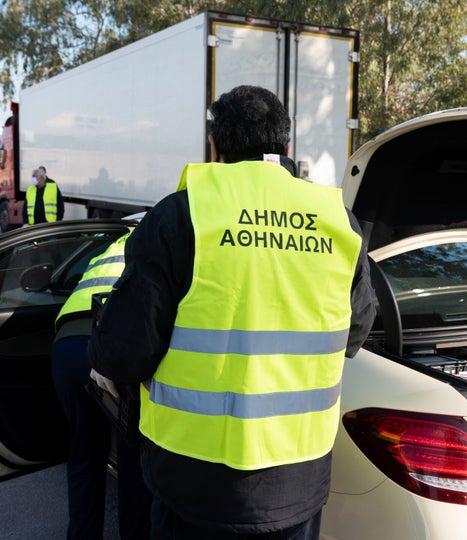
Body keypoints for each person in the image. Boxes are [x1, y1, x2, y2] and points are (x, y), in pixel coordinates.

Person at [87, 85, 376, 539]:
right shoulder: (336, 220)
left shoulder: (181, 216)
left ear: (215, 148)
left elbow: (123, 352)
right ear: (285, 148)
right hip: (296, 485)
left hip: (192, 483)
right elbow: (356, 330)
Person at [52, 232, 152, 540]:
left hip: (66, 344)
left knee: (85, 456)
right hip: (111, 345)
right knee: (134, 461)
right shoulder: (161, 238)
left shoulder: (113, 245)